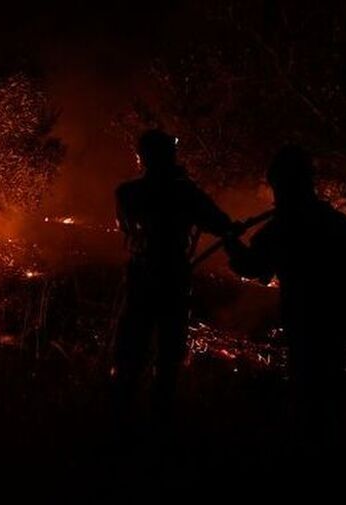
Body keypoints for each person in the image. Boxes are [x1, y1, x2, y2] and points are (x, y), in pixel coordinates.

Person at [224, 145, 346, 447]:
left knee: (309, 397)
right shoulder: (340, 224)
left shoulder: (283, 228)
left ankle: (311, 455)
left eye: (277, 184)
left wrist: (230, 242)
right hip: (340, 325)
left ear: (282, 183)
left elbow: (252, 267)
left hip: (307, 324)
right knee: (331, 392)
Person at [113, 129, 235, 427]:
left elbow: (127, 229)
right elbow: (220, 224)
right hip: (172, 277)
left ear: (142, 157)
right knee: (168, 351)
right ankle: (158, 417)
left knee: (133, 346)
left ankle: (122, 415)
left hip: (142, 275)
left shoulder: (127, 192)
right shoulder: (186, 192)